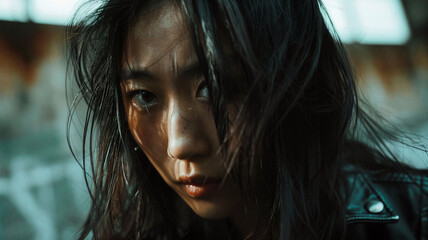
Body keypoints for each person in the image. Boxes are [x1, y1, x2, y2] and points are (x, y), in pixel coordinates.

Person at [67, 0, 428, 239]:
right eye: (144, 96)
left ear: (296, 80)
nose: (181, 144)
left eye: (214, 87)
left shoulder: (416, 216)